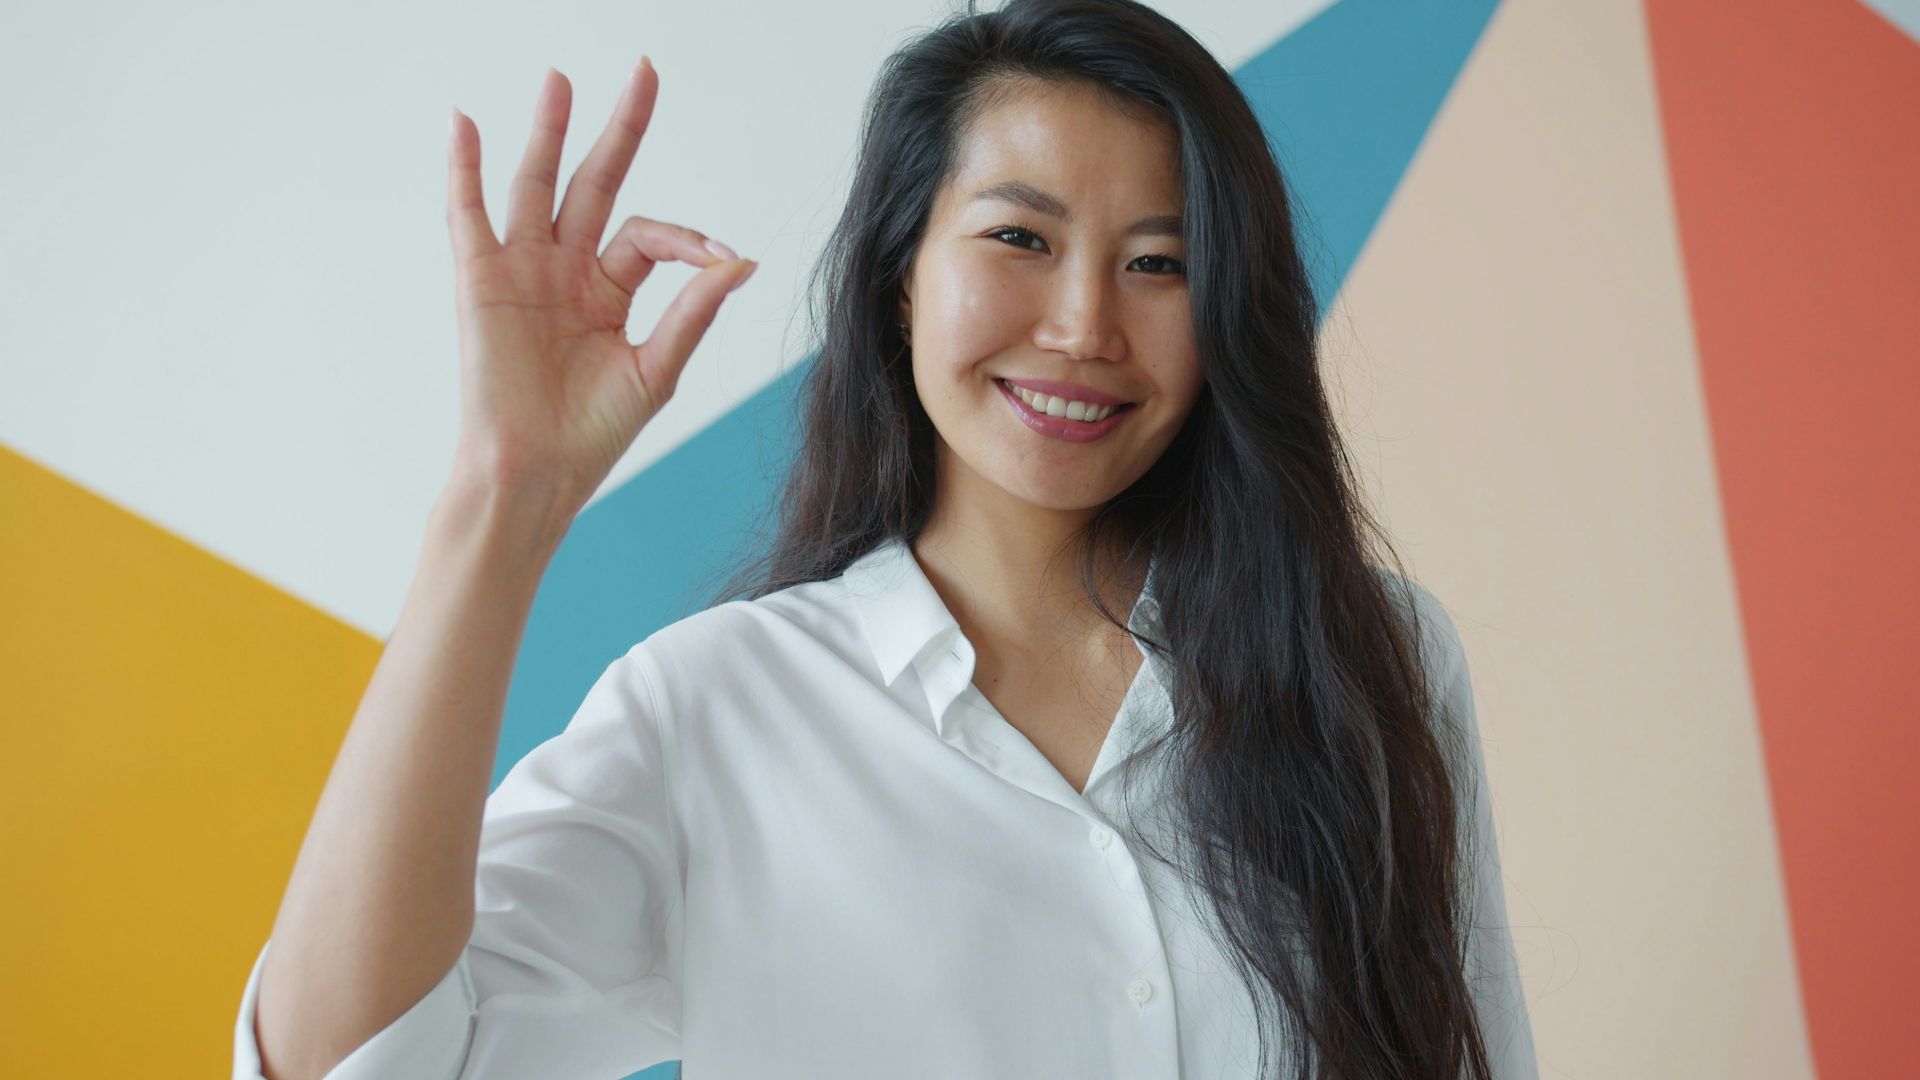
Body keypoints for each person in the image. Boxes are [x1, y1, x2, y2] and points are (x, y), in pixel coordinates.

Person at [233, 0, 1537, 1077]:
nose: (1086, 323)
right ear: (899, 275)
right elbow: (342, 1060)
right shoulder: (720, 710)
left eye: (1162, 261)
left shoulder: (1372, 658)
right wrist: (498, 495)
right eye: (1020, 238)